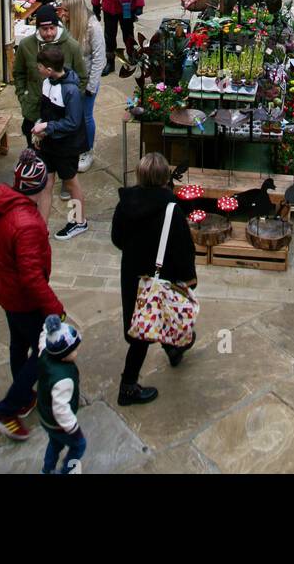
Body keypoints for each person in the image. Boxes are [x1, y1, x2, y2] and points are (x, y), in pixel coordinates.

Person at [0, 150, 67, 441]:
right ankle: (7, 409)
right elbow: (32, 277)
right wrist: (55, 309)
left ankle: (23, 399)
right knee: (47, 351)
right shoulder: (28, 225)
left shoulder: (4, 207)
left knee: (19, 346)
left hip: (7, 292)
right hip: (24, 299)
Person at [111, 151, 197, 406]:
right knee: (144, 331)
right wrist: (189, 280)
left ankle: (172, 348)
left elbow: (117, 239)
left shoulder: (125, 204)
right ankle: (127, 387)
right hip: (162, 277)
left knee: (143, 321)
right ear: (164, 178)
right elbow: (183, 250)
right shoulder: (171, 209)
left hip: (132, 275)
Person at [32, 45, 88, 240]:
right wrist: (41, 131)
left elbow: (73, 122)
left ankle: (79, 221)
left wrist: (47, 126)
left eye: (39, 66)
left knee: (71, 183)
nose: (37, 68)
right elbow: (46, 111)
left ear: (49, 69)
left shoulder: (71, 91)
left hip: (66, 146)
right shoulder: (47, 82)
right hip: (49, 143)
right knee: (46, 184)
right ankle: (41, 228)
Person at [13, 4, 87, 147]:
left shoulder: (72, 47)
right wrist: (23, 97)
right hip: (33, 110)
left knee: (59, 158)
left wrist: (72, 102)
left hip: (60, 116)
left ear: (57, 26)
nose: (48, 33)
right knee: (34, 154)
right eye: (44, 29)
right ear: (37, 28)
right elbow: (18, 73)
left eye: (52, 28)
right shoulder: (26, 46)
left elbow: (82, 78)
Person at [37, 314, 86, 475]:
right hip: (58, 423)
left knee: (55, 443)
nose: (77, 352)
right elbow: (61, 409)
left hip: (45, 416)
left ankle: (47, 469)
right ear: (64, 355)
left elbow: (43, 339)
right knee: (79, 445)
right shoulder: (63, 379)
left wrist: (48, 327)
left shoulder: (45, 352)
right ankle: (67, 470)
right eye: (75, 350)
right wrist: (73, 428)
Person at [62, 0, 105, 173]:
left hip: (87, 80)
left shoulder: (93, 27)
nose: (62, 13)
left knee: (85, 116)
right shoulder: (67, 25)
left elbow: (99, 59)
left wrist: (91, 86)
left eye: (65, 10)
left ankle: (87, 150)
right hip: (70, 80)